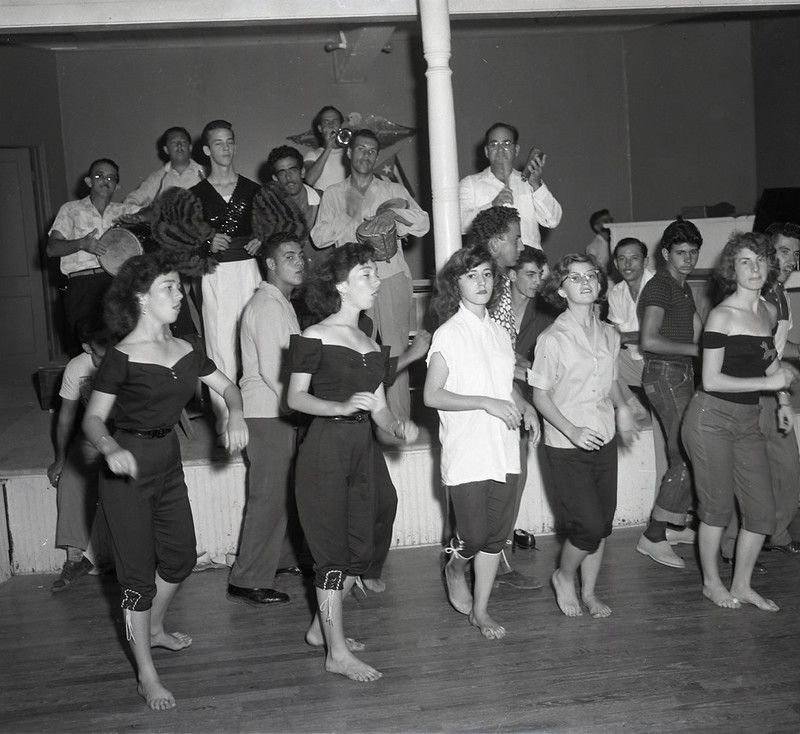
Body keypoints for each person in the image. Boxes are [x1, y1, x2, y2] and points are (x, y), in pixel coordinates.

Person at [82, 253, 248, 710]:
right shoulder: (121, 358)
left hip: (168, 466)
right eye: (169, 288)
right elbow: (93, 420)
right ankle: (146, 675)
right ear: (141, 299)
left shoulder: (186, 348)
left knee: (178, 557)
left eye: (179, 287)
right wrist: (111, 448)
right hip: (127, 471)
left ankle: (153, 628)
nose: (180, 295)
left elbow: (229, 386)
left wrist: (234, 413)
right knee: (137, 576)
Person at [287, 242, 417, 682]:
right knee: (331, 553)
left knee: (362, 540)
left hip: (362, 451)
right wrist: (339, 407)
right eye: (367, 274)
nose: (376, 281)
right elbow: (295, 397)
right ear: (341, 285)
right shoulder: (314, 336)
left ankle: (318, 630)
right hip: (324, 450)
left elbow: (379, 408)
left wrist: (399, 425)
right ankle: (336, 653)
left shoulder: (370, 342)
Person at [680, 232, 798, 611]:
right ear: (733, 268)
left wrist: (780, 399)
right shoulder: (722, 315)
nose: (755, 268)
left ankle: (743, 584)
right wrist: (770, 383)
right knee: (716, 509)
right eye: (746, 261)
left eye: (761, 260)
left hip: (748, 419)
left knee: (761, 512)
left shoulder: (766, 311)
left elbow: (768, 358)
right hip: (709, 418)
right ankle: (711, 583)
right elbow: (711, 379)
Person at [425, 245, 537, 639]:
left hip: (504, 445)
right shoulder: (448, 334)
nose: (482, 282)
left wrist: (525, 406)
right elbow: (432, 395)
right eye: (472, 275)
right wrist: (486, 403)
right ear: (455, 283)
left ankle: (482, 610)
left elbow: (503, 383)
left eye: (488, 274)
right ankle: (455, 566)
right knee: (471, 535)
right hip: (467, 449)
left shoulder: (498, 331)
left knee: (494, 538)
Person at [531, 254, 638, 618]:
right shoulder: (552, 338)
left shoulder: (609, 332)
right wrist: (572, 430)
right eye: (574, 278)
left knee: (603, 525)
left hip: (603, 438)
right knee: (588, 527)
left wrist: (623, 408)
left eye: (591, 275)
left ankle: (590, 592)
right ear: (561, 289)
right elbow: (540, 396)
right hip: (566, 445)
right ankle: (563, 576)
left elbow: (610, 381)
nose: (586, 282)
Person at [311, 128, 430, 419]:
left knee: (395, 348)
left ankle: (397, 421)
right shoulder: (335, 194)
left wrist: (392, 216)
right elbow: (318, 237)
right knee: (355, 348)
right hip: (352, 282)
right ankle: (357, 416)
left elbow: (423, 222)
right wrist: (351, 220)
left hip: (390, 276)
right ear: (349, 153)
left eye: (372, 151)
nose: (366, 155)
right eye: (361, 149)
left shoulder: (392, 190)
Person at [227, 233, 307, 607]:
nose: (300, 262)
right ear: (270, 264)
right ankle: (247, 578)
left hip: (276, 412)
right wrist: (302, 412)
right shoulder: (270, 307)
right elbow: (279, 374)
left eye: (301, 255)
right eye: (289, 256)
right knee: (268, 497)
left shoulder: (279, 303)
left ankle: (279, 560)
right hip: (268, 413)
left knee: (285, 492)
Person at [468, 206, 540, 588]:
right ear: (497, 242)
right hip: (491, 399)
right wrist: (520, 394)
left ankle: (493, 563)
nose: (520, 244)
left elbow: (500, 348)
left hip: (500, 392)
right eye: (515, 237)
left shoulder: (493, 279)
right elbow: (487, 355)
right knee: (497, 481)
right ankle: (479, 564)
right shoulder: (484, 283)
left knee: (509, 478)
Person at [720, 222, 800, 561]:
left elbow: (776, 348)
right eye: (783, 251)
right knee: (750, 473)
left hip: (771, 391)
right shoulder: (757, 295)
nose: (791, 260)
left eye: (796, 254)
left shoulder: (778, 294)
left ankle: (773, 535)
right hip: (751, 394)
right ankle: (733, 547)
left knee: (784, 468)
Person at [636, 219, 703, 569]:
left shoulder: (683, 288)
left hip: (681, 373)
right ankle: (653, 535)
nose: (688, 259)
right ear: (665, 254)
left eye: (693, 253)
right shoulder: (660, 287)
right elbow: (648, 341)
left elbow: (701, 334)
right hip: (664, 374)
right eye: (681, 253)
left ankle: (673, 520)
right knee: (685, 454)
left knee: (689, 450)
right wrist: (697, 351)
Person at [191, 120, 262, 437]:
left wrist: (261, 238)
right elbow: (179, 240)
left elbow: (272, 228)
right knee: (220, 346)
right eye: (218, 143)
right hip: (215, 274)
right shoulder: (194, 195)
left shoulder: (253, 190)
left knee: (254, 340)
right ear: (206, 150)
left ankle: (258, 418)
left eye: (230, 141)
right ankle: (226, 426)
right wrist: (205, 242)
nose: (225, 148)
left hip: (248, 270)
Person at [47, 319, 114, 592]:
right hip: (91, 436)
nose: (107, 357)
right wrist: (61, 458)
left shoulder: (129, 357)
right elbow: (65, 418)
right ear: (87, 347)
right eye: (100, 353)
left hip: (129, 433)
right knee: (71, 479)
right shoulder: (77, 367)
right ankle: (76, 559)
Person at [46, 158, 129, 350]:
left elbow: (153, 214)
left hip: (117, 285)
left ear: (117, 185)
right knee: (86, 348)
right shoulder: (70, 209)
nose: (105, 180)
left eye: (111, 177)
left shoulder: (125, 212)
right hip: (82, 287)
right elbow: (51, 249)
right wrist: (82, 244)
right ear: (88, 181)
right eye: (99, 175)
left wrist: (142, 216)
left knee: (122, 348)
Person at [508, 246, 554, 551]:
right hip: (489, 392)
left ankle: (504, 537)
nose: (537, 281)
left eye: (540, 274)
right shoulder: (490, 305)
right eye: (530, 274)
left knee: (517, 470)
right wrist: (516, 363)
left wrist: (521, 366)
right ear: (512, 275)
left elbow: (545, 365)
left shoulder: (547, 311)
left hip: (525, 396)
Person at [459, 122, 562, 249]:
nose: (500, 150)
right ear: (486, 151)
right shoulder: (470, 184)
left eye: (507, 143)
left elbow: (553, 220)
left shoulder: (530, 181)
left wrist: (537, 186)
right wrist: (491, 206)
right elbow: (460, 225)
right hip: (491, 264)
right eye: (494, 144)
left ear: (516, 150)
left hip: (530, 263)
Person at [123, 127, 205, 209]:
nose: (179, 145)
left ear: (190, 147)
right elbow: (131, 201)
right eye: (174, 142)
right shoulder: (156, 178)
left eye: (183, 142)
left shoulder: (206, 173)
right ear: (166, 150)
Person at [266, 145, 321, 264]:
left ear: (302, 172)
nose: (288, 177)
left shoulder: (326, 199)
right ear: (275, 179)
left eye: (293, 170)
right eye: (282, 172)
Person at [303, 105, 348, 191]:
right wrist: (328, 148)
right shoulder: (312, 154)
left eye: (335, 121)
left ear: (340, 126)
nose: (331, 125)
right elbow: (309, 180)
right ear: (320, 128)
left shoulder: (350, 153)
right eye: (326, 122)